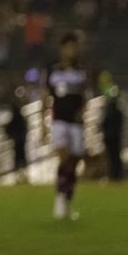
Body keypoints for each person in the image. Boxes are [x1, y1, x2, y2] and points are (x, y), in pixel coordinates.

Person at [42, 32, 90, 220]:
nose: (73, 50)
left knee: (75, 162)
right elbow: (45, 98)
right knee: (63, 158)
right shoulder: (53, 70)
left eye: (75, 46)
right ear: (63, 48)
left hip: (76, 123)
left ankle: (68, 198)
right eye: (70, 46)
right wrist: (42, 124)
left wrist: (84, 114)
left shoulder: (81, 71)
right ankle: (60, 198)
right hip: (59, 121)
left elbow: (85, 97)